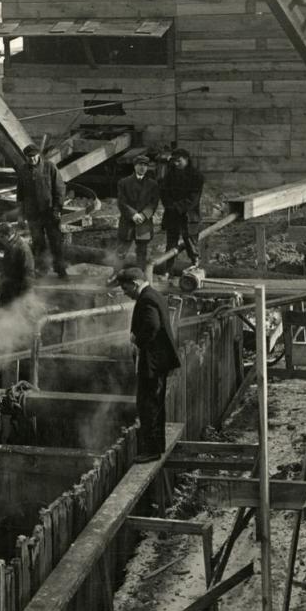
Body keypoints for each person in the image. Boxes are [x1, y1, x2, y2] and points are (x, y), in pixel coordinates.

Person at [117, 267, 181, 460]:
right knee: (155, 404)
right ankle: (156, 446)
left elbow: (151, 327)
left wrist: (137, 340)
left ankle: (151, 451)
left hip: (153, 363)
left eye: (126, 288)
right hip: (158, 361)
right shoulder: (153, 295)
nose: (125, 293)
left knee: (148, 405)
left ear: (135, 284)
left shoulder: (147, 299)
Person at [16, 144, 67, 279]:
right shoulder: (23, 171)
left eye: (34, 157)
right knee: (38, 243)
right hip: (33, 214)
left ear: (38, 155)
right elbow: (20, 195)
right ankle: (42, 270)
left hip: (50, 213)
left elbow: (60, 189)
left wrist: (57, 208)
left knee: (55, 242)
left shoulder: (49, 167)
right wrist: (21, 215)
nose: (32, 159)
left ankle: (61, 270)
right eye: (29, 157)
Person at [116, 154, 161, 270]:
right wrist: (133, 214)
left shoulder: (153, 184)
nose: (143, 168)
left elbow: (153, 203)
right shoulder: (123, 182)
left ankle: (139, 277)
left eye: (145, 165)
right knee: (121, 252)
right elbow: (122, 202)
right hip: (127, 222)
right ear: (135, 166)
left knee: (142, 253)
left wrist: (144, 215)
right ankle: (116, 275)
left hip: (144, 223)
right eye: (140, 165)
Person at [160, 148, 204, 265]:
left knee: (191, 243)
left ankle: (195, 267)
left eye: (179, 161)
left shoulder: (196, 176)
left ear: (186, 159)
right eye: (174, 161)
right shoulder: (170, 175)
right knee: (171, 244)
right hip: (172, 214)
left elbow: (193, 199)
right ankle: (168, 271)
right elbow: (164, 193)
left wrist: (178, 207)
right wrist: (170, 206)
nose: (176, 164)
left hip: (189, 215)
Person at [0, 224, 35, 307]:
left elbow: (28, 272)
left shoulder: (22, 248)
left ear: (8, 235)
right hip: (8, 287)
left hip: (18, 290)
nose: (0, 240)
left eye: (1, 237)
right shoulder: (10, 245)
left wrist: (26, 294)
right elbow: (6, 269)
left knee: (17, 315)